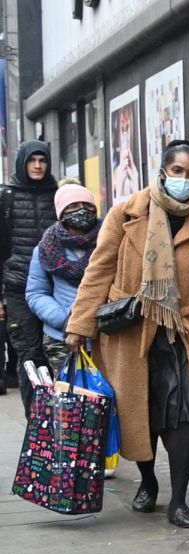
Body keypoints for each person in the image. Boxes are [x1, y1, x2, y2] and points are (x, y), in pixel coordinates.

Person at [65, 140, 189, 529]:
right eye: (179, 171)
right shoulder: (127, 212)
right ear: (164, 170)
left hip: (186, 331)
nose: (186, 180)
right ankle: (148, 481)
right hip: (133, 332)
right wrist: (79, 325)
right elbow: (98, 270)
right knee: (141, 413)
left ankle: (179, 500)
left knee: (185, 413)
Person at [1, 140, 59, 413]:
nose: (38, 166)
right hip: (18, 289)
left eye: (42, 160)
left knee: (56, 354)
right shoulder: (7, 197)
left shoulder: (58, 194)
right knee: (29, 356)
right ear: (22, 163)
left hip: (54, 290)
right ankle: (37, 423)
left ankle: (62, 419)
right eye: (32, 161)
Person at [25, 184, 101, 375]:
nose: (82, 210)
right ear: (61, 212)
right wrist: (67, 320)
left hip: (105, 335)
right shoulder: (45, 249)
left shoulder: (109, 241)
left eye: (87, 205)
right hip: (61, 338)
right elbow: (36, 293)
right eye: (74, 206)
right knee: (72, 399)